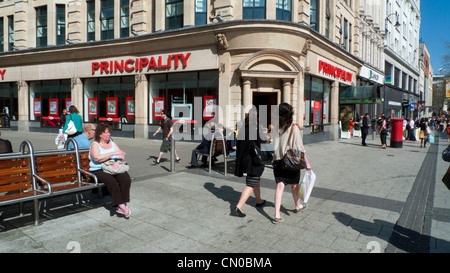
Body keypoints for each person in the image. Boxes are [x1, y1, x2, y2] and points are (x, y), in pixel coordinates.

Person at [271, 103, 311, 224]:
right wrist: (307, 164)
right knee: (295, 185)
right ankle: (297, 206)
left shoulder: (275, 128)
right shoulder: (294, 128)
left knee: (279, 187)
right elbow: (300, 149)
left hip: (278, 162)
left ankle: (277, 214)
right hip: (290, 161)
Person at [89, 123, 132, 218]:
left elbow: (121, 155)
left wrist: (117, 162)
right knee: (112, 181)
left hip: (112, 166)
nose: (109, 134)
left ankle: (121, 202)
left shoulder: (112, 143)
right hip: (98, 169)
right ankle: (121, 205)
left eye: (109, 132)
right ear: (100, 134)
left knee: (125, 178)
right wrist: (113, 153)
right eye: (106, 133)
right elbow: (97, 158)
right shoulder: (95, 145)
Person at [233, 111, 266, 217]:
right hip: (253, 160)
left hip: (244, 160)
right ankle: (238, 207)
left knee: (256, 180)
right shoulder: (256, 128)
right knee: (251, 183)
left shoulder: (242, 129)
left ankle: (259, 201)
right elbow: (262, 141)